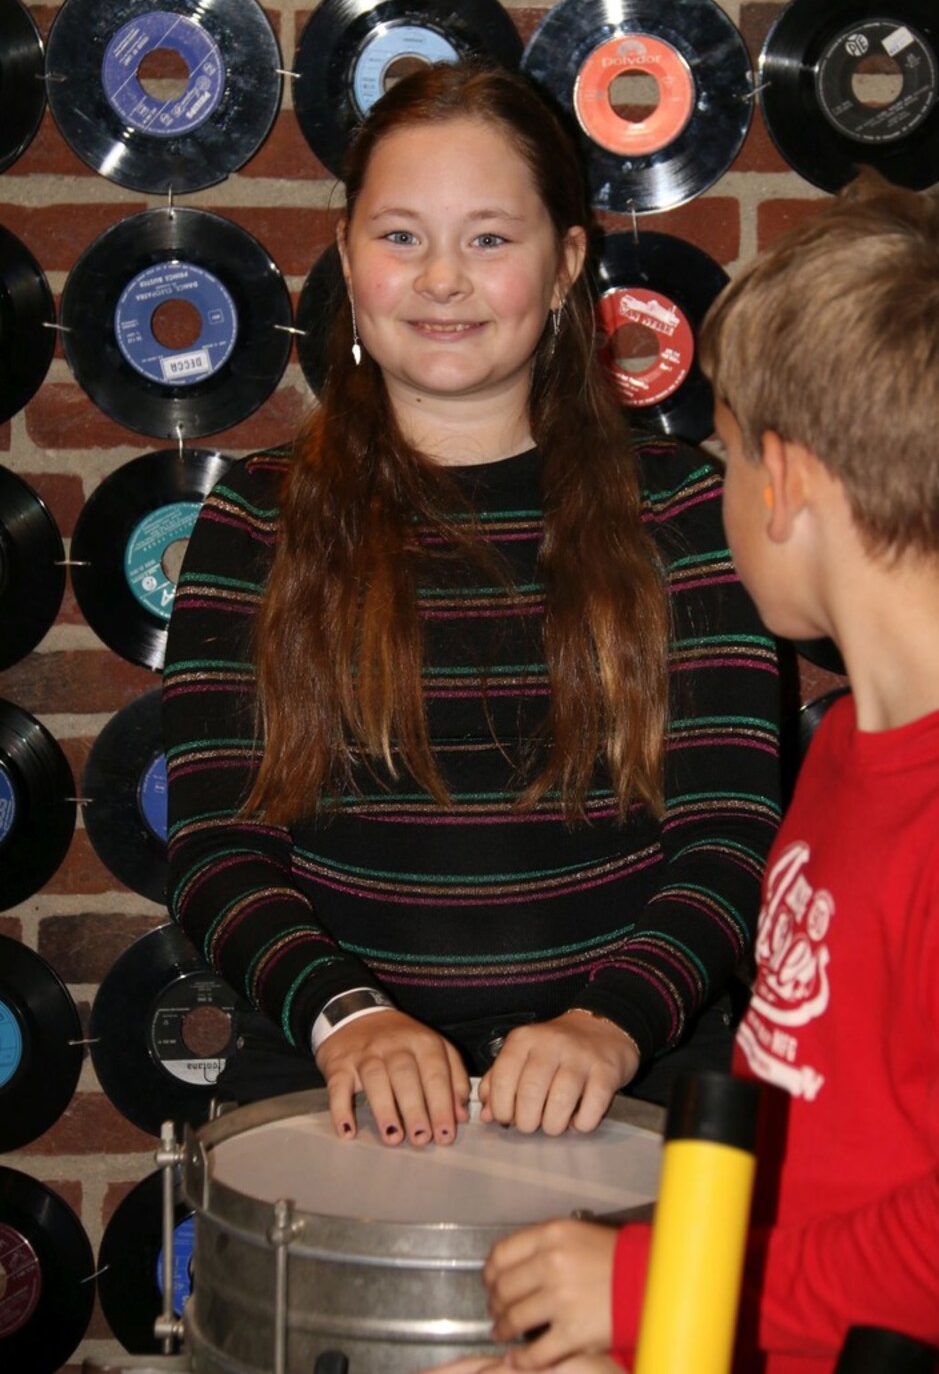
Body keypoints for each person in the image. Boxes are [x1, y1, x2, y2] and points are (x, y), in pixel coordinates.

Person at [431, 174, 939, 1373]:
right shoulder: (847, 751)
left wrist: (650, 1286)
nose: (721, 488)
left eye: (728, 455)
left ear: (782, 483)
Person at [162, 61, 782, 1154]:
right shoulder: (257, 518)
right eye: (401, 236)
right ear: (346, 253)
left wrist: (610, 1023)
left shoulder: (685, 511)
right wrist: (349, 1015)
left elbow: (729, 836)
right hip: (332, 1080)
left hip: (630, 1077)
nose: (442, 278)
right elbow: (217, 848)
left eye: (489, 238)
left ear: (566, 264)